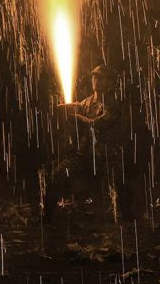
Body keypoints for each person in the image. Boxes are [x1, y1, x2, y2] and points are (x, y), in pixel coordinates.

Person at [45, 65, 132, 222]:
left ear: (110, 82)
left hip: (106, 155)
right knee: (57, 175)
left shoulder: (113, 103)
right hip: (85, 154)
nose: (97, 80)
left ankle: (126, 220)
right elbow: (75, 109)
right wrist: (64, 109)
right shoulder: (86, 102)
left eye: (101, 78)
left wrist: (79, 117)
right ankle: (46, 218)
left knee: (117, 184)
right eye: (95, 77)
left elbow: (97, 123)